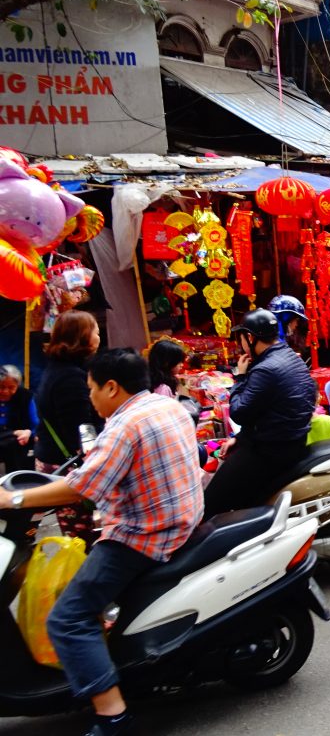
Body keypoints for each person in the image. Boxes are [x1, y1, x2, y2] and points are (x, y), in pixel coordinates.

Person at [0, 348, 203, 736]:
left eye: (92, 388)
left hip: (143, 535)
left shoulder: (125, 426)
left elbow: (82, 488)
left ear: (112, 387)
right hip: (180, 520)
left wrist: (14, 499)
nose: (89, 396)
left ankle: (113, 715)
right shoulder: (165, 405)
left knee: (67, 618)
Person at [204, 308, 315, 518]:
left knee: (210, 503)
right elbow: (269, 410)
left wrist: (240, 377)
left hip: (270, 450)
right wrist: (240, 437)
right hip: (290, 442)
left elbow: (238, 412)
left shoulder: (265, 369)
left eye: (242, 339)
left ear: (251, 337)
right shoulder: (290, 356)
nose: (241, 346)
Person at [34, 310, 104, 543]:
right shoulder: (69, 378)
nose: (98, 335)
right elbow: (82, 434)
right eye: (95, 330)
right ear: (81, 336)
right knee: (82, 538)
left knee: (78, 536)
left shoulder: (59, 369)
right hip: (68, 467)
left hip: (57, 459)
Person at [0, 364, 35, 473]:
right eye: (1, 387)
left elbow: (36, 424)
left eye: (11, 387)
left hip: (19, 444)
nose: (5, 391)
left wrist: (29, 432)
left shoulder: (26, 396)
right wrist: (14, 433)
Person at [268, 294, 310, 362]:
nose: (296, 324)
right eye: (296, 320)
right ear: (286, 319)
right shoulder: (273, 345)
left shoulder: (279, 341)